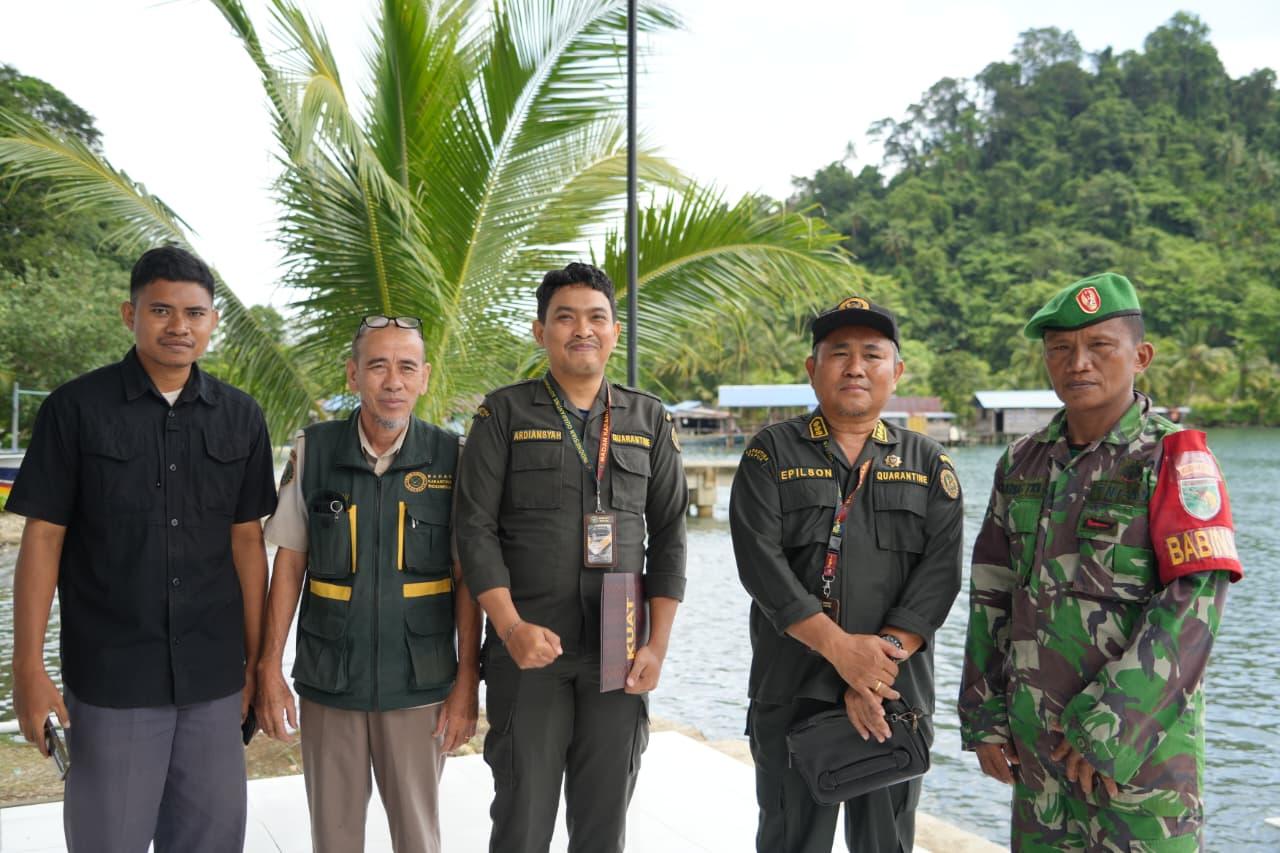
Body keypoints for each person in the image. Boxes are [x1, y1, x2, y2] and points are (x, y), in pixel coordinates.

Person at [958, 272, 1244, 851]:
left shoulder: (1173, 458)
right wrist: (984, 716)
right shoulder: (1022, 462)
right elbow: (992, 588)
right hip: (1036, 747)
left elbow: (1194, 604)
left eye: (1099, 346)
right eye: (1059, 349)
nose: (1077, 363)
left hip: (1138, 759)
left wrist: (1112, 726)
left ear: (1140, 356)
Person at [8, 245, 277, 852]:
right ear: (130, 315)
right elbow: (43, 538)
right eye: (161, 310)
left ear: (211, 322)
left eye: (194, 313)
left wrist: (258, 664)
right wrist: (28, 666)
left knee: (210, 841)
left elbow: (246, 544)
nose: (178, 326)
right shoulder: (74, 410)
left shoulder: (241, 417)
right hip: (112, 679)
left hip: (213, 679)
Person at [455, 262, 688, 853]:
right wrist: (508, 629)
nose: (581, 329)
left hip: (620, 652)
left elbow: (670, 535)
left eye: (596, 317)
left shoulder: (648, 418)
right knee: (522, 819)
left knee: (603, 822)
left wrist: (656, 646)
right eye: (565, 317)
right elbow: (474, 529)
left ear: (614, 330)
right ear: (541, 332)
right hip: (528, 650)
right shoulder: (503, 414)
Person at [730, 296, 964, 853]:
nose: (855, 367)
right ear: (813, 369)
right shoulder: (770, 455)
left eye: (872, 354)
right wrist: (841, 652)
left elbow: (939, 578)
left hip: (893, 700)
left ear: (896, 371)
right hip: (793, 694)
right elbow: (762, 568)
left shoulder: (930, 464)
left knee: (885, 845)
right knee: (790, 842)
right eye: (839, 354)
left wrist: (871, 672)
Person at [255, 314, 480, 853]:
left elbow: (466, 579)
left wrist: (467, 682)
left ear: (424, 377)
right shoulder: (314, 452)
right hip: (331, 682)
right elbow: (288, 566)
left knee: (418, 838)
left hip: (420, 685)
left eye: (406, 367)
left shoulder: (454, 458)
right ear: (353, 375)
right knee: (332, 840)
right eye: (377, 366)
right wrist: (268, 668)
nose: (393, 381)